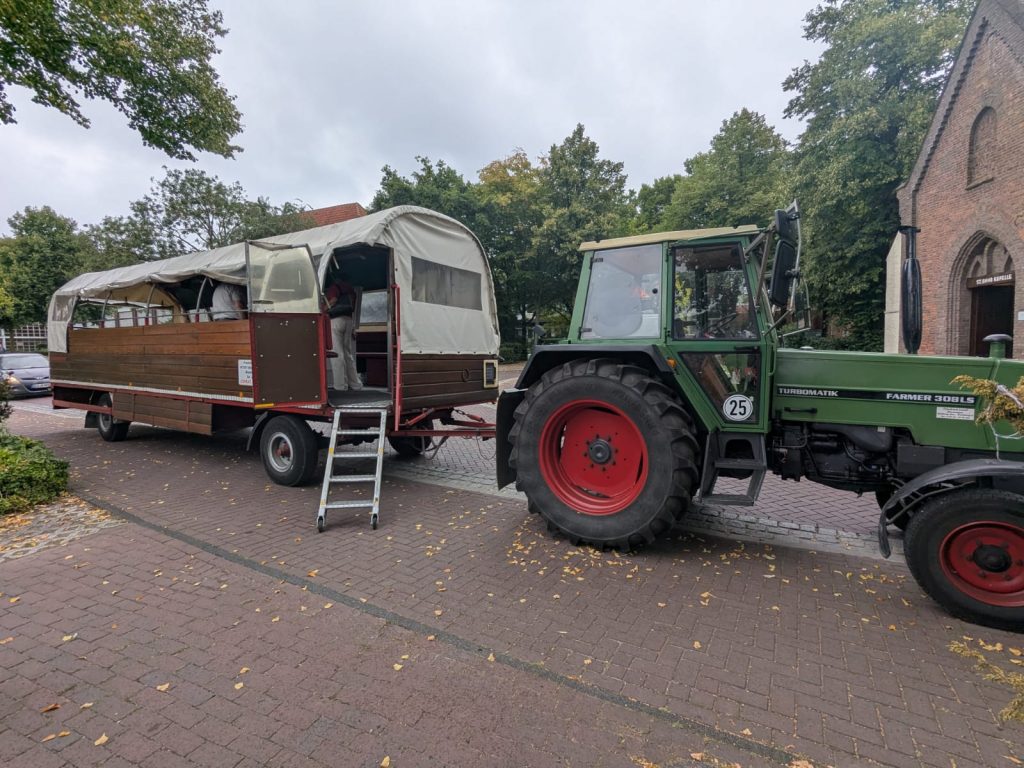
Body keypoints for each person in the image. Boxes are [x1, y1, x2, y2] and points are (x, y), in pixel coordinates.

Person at [325, 272, 362, 390]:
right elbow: (353, 308)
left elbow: (333, 300)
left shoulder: (334, 288)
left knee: (337, 353)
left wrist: (322, 309)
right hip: (349, 321)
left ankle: (341, 385)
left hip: (336, 320)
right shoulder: (351, 291)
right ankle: (355, 384)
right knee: (347, 354)